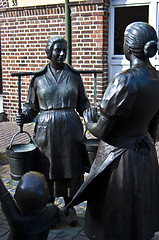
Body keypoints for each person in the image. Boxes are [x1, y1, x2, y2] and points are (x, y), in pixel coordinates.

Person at [68, 22, 159, 239]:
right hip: (145, 156)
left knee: (114, 214)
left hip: (120, 161)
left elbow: (101, 131)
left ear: (128, 47)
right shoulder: (157, 79)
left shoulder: (125, 80)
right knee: (138, 209)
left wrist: (89, 121)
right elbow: (154, 128)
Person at [16, 36, 90, 226]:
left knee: (72, 166)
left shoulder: (74, 76)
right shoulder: (38, 78)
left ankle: (70, 205)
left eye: (64, 50)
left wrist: (91, 114)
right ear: (49, 52)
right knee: (46, 166)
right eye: (57, 50)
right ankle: (47, 206)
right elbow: (31, 106)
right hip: (46, 129)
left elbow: (83, 103)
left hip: (70, 127)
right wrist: (24, 116)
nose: (61, 53)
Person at [0, 171, 61, 240]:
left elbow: (4, 196)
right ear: (47, 198)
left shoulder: (17, 220)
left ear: (15, 197)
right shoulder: (52, 211)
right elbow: (59, 217)